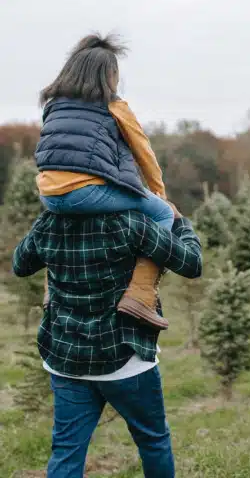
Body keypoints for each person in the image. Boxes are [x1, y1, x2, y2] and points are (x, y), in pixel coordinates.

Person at [12, 203, 202, 478]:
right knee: (153, 441)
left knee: (66, 450)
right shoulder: (130, 222)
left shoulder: (50, 221)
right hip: (125, 359)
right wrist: (180, 221)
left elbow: (20, 265)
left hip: (67, 360)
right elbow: (192, 263)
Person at [34, 33, 173, 329]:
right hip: (84, 193)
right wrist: (159, 194)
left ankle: (51, 293)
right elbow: (143, 152)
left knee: (60, 226)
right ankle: (140, 294)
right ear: (108, 75)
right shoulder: (113, 105)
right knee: (163, 214)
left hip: (49, 196)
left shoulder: (55, 105)